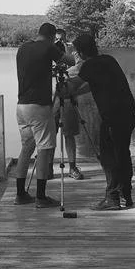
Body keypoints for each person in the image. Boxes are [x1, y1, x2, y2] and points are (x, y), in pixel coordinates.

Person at [65, 34, 135, 210]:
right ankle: (126, 196)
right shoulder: (108, 60)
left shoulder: (89, 65)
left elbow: (73, 86)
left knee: (108, 157)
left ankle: (112, 199)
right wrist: (74, 92)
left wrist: (63, 81)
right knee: (122, 155)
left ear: (81, 52)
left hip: (113, 118)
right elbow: (94, 84)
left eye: (76, 51)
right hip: (128, 115)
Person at [14, 22, 62, 208]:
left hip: (21, 106)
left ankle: (20, 194)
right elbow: (69, 61)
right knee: (44, 149)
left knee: (26, 148)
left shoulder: (23, 48)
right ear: (51, 36)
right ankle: (41, 197)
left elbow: (35, 68)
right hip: (39, 107)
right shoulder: (49, 47)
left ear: (38, 33)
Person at [53, 28, 84, 180]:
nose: (59, 42)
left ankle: (72, 167)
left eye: (61, 40)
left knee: (69, 134)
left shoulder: (72, 53)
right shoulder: (47, 53)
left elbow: (80, 68)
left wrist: (66, 55)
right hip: (51, 99)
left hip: (68, 97)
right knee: (49, 134)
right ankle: (45, 169)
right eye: (56, 40)